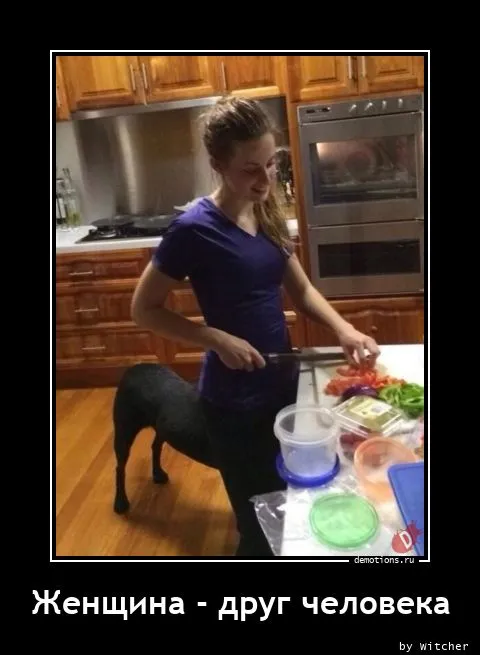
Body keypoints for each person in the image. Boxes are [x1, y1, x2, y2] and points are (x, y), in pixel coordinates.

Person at [130, 96, 380, 557]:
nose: (266, 180)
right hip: (233, 400)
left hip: (283, 383)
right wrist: (214, 338)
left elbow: (301, 291)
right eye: (251, 169)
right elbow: (144, 309)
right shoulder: (192, 229)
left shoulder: (264, 209)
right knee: (256, 524)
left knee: (288, 498)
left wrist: (343, 328)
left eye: (271, 163)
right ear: (218, 165)